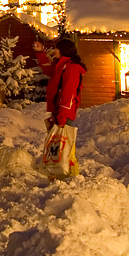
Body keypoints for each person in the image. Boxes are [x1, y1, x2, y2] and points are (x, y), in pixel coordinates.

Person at [33, 37, 86, 177]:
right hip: (58, 111)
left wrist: (62, 114)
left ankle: (71, 174)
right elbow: (47, 69)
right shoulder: (61, 65)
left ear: (63, 50)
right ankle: (59, 172)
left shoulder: (71, 68)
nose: (54, 50)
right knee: (59, 144)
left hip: (64, 112)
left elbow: (69, 92)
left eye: (57, 48)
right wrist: (40, 52)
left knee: (66, 145)